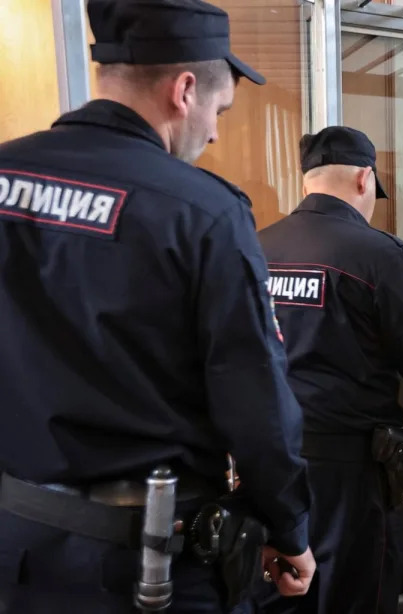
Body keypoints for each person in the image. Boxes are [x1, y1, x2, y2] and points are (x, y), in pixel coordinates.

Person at [0, 0, 316, 612]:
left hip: (17, 550)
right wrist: (289, 527)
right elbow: (255, 400)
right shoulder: (203, 211)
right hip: (146, 565)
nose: (217, 131)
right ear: (185, 90)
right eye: (219, 112)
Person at [255, 126, 403, 614]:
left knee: (282, 589)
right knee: (358, 592)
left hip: (268, 459)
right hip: (350, 471)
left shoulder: (257, 247)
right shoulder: (380, 255)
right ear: (363, 179)